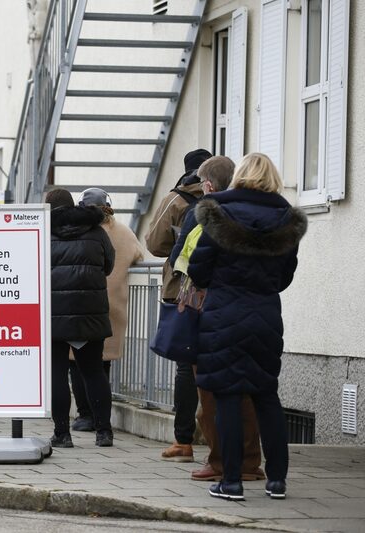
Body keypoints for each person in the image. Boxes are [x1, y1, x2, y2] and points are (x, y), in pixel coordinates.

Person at [187, 153, 306, 501]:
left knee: (227, 396)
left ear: (240, 175)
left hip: (223, 315)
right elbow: (285, 277)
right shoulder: (285, 219)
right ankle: (277, 481)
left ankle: (231, 482)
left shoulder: (217, 212)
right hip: (266, 315)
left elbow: (198, 270)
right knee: (266, 395)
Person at [168, 156, 266, 483]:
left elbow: (185, 262)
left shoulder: (207, 214)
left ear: (208, 185)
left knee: (211, 391)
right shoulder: (255, 215)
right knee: (247, 392)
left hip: (211, 312)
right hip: (255, 314)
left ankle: (220, 461)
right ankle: (250, 462)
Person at [145, 148, 212, 463]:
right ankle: (217, 436)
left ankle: (183, 441)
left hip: (182, 289)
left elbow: (154, 243)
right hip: (218, 291)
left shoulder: (176, 199)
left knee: (186, 363)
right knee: (216, 361)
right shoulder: (225, 197)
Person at [69, 188, 143, 432]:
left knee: (76, 363)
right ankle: (101, 417)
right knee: (101, 366)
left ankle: (85, 415)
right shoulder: (124, 232)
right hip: (112, 308)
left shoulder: (76, 230)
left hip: (79, 305)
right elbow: (140, 255)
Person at [47, 187, 115, 448]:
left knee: (57, 374)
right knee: (94, 371)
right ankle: (104, 432)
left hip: (54, 314)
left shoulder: (43, 232)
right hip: (90, 312)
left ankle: (62, 434)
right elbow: (108, 265)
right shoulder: (96, 231)